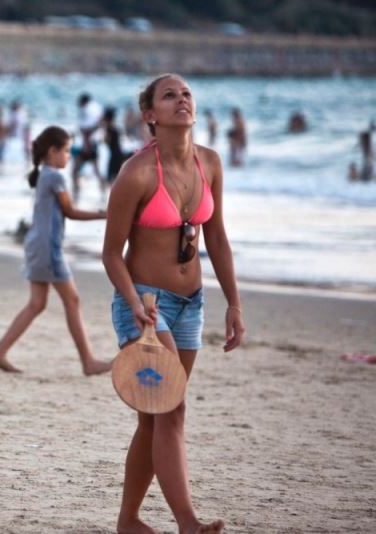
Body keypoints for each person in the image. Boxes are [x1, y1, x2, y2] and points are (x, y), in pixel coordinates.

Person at [103, 74, 245, 534]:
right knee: (172, 408)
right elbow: (111, 253)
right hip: (146, 302)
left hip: (191, 304)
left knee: (153, 418)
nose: (181, 99)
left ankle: (128, 521)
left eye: (186, 93)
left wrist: (233, 304)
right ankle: (188, 523)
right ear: (150, 115)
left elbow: (218, 238)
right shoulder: (137, 174)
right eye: (169, 95)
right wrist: (134, 303)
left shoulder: (211, 163)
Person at [0, 126, 112, 376]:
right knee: (71, 300)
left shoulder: (45, 174)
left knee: (37, 303)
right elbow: (70, 211)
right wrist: (105, 214)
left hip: (37, 245)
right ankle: (88, 362)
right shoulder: (55, 176)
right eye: (66, 151)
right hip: (47, 249)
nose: (69, 156)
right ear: (52, 151)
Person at [71, 93, 104, 198]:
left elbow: (86, 128)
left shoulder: (87, 110)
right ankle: (103, 193)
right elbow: (98, 124)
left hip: (87, 146)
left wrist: (85, 137)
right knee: (97, 170)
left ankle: (76, 194)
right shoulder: (96, 108)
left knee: (75, 171)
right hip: (93, 144)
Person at [103, 106, 129, 189]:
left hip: (114, 156)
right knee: (118, 177)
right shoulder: (116, 127)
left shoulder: (108, 128)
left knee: (110, 178)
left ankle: (113, 195)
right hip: (119, 154)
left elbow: (106, 141)